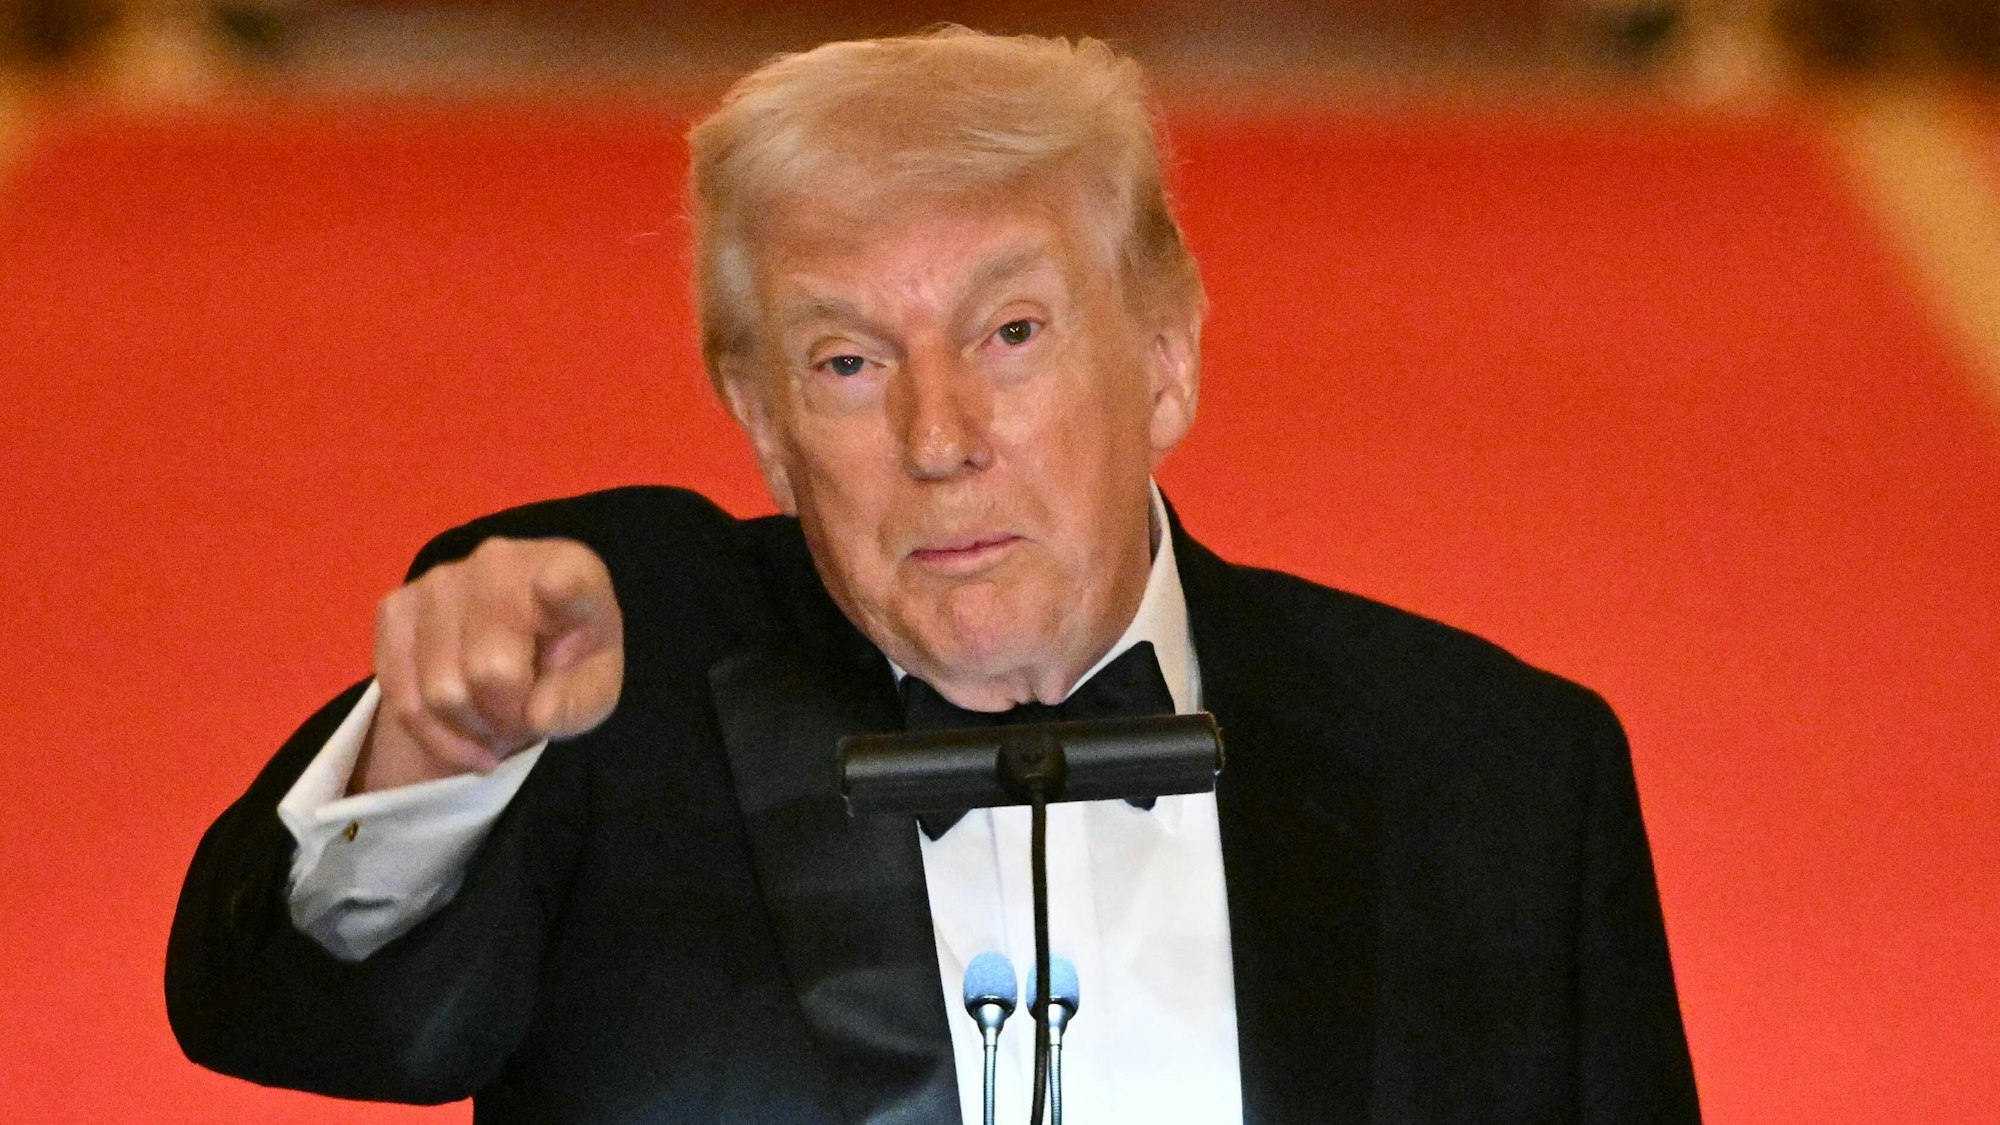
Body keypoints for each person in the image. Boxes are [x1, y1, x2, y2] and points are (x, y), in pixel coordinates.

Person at [167, 27, 1700, 1125]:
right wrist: (433, 756)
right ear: (763, 424)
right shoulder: (618, 717)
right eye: (846, 362)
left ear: (1164, 355)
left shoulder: (1501, 776)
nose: (940, 435)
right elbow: (290, 1013)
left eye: (1012, 334)